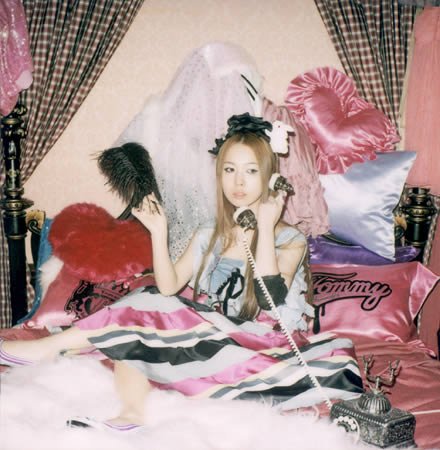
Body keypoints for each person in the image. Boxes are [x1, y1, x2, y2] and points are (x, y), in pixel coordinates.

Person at [0, 114, 363, 432]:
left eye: (251, 171)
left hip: (261, 350)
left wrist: (265, 227)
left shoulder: (289, 239)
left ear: (270, 178)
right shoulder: (208, 234)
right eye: (229, 170)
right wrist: (159, 232)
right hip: (212, 343)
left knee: (149, 308)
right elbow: (169, 285)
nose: (238, 182)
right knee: (134, 337)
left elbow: (270, 300)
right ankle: (131, 415)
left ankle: (46, 348)